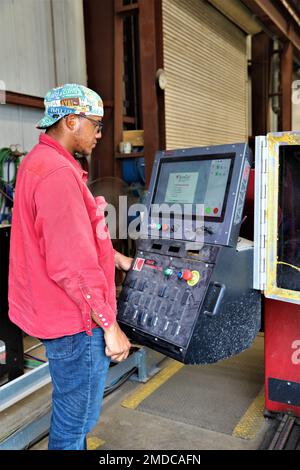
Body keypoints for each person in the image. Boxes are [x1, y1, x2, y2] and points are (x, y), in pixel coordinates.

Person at [8, 83, 132, 450]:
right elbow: (71, 265)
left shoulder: (41, 163)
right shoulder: (57, 175)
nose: (99, 133)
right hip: (76, 323)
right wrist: (110, 326)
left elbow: (74, 233)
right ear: (72, 121)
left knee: (72, 411)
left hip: (56, 314)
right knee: (74, 423)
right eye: (96, 124)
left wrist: (115, 255)